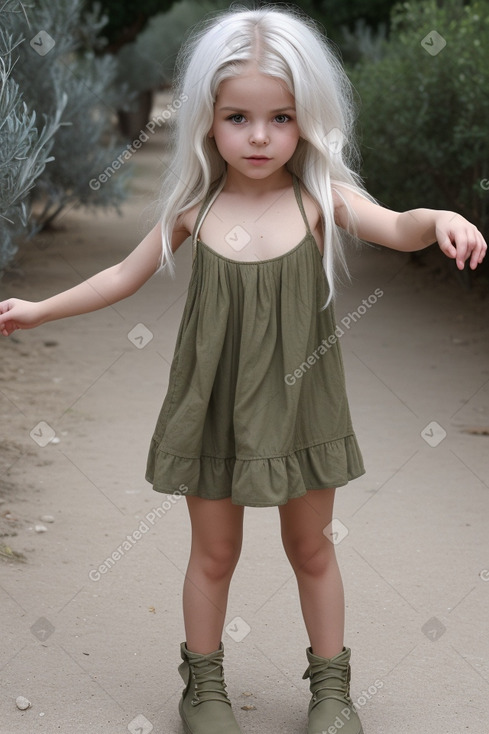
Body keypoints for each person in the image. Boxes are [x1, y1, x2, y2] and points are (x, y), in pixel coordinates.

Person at [0, 5, 486, 734]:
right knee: (214, 551)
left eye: (281, 118)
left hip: (303, 405)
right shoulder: (195, 208)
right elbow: (119, 278)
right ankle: (203, 688)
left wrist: (441, 217)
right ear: (206, 119)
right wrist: (39, 309)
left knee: (311, 547)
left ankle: (331, 690)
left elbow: (395, 222)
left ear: (307, 120)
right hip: (213, 404)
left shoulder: (318, 198)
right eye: (237, 118)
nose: (259, 137)